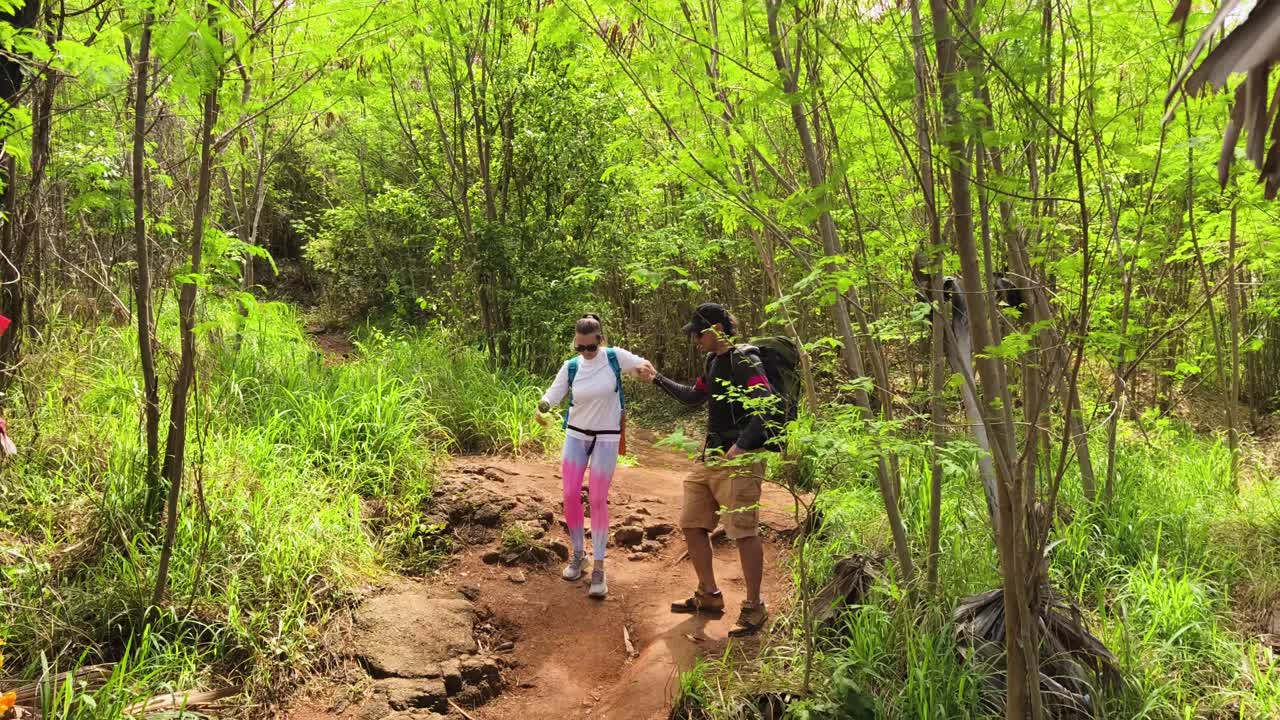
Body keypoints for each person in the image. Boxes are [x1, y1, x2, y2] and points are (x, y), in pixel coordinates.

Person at [639, 303, 777, 637]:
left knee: (743, 531)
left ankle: (755, 607)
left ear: (716, 329)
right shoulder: (713, 361)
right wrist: (657, 378)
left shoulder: (745, 360)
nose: (695, 339)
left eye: (698, 333)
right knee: (691, 522)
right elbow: (694, 397)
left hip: (741, 459)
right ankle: (709, 595)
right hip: (711, 457)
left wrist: (742, 446)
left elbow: (768, 403)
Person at [537, 314, 654, 599]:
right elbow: (555, 392)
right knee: (569, 494)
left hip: (607, 436)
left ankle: (599, 567)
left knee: (598, 498)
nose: (585, 353)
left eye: (590, 347)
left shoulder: (615, 358)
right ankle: (579, 554)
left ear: (600, 341)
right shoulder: (572, 366)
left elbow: (643, 365)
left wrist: (644, 371)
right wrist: (543, 405)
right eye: (580, 347)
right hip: (576, 434)